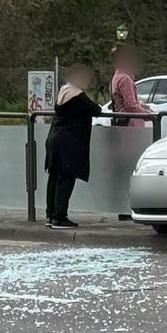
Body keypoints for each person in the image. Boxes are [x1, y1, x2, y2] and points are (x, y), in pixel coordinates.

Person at [44, 63, 102, 229]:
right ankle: (60, 217)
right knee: (65, 179)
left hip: (55, 139)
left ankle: (50, 214)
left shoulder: (63, 92)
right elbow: (96, 110)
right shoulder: (77, 96)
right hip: (68, 143)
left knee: (54, 178)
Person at [110, 44, 152, 127]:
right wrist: (149, 115)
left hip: (122, 122)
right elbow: (131, 106)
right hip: (132, 124)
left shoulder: (115, 77)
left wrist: (142, 107)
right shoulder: (125, 79)